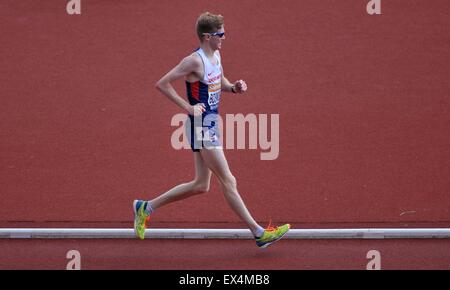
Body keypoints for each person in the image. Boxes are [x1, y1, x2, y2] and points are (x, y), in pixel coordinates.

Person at [133, 12, 289, 248]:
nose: (224, 37)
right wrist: (188, 107)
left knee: (200, 185)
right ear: (207, 37)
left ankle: (145, 207)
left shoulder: (216, 54)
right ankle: (259, 233)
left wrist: (233, 88)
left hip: (210, 123)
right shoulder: (193, 61)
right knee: (229, 180)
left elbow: (218, 82)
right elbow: (162, 83)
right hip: (201, 126)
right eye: (220, 34)